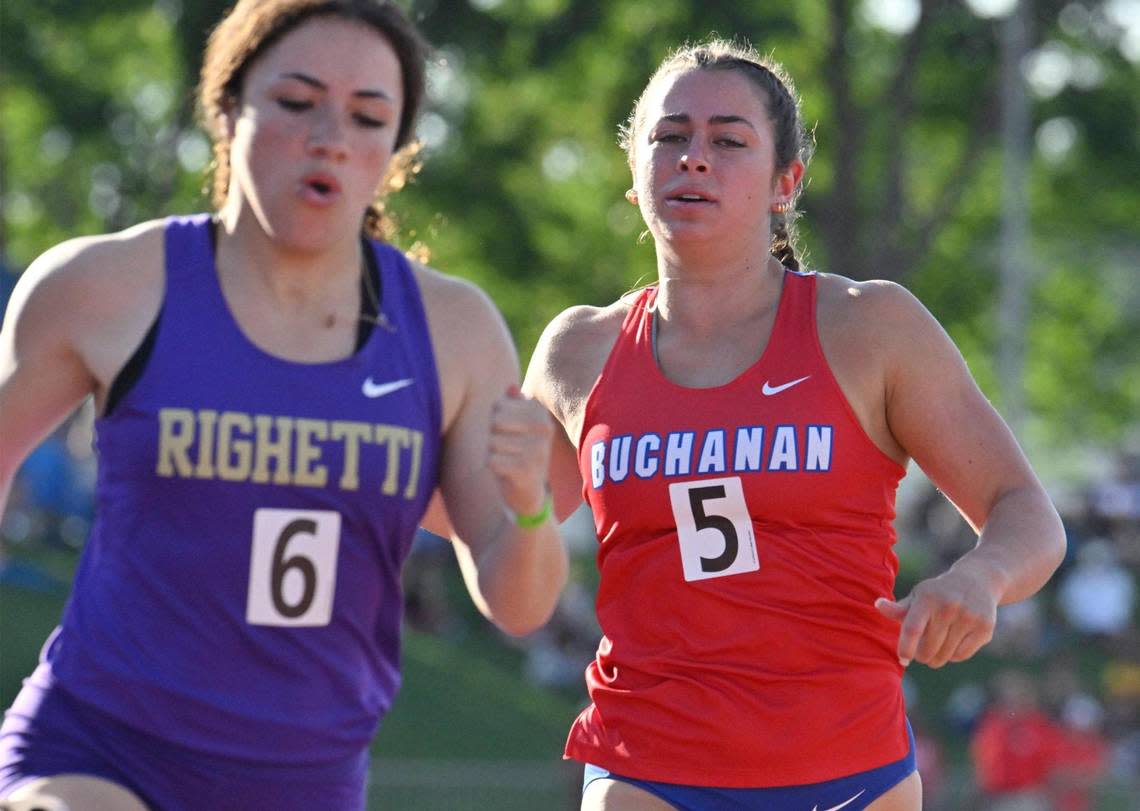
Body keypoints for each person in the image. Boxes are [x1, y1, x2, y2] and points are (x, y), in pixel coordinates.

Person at [0, 1, 567, 809]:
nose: (330, 135)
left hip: (306, 781)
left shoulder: (453, 330)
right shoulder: (101, 290)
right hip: (98, 748)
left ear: (398, 150)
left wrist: (531, 506)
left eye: (369, 116)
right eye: (297, 102)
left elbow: (521, 603)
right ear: (227, 108)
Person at [522, 39, 1067, 810]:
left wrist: (980, 576)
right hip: (645, 765)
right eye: (670, 136)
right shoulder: (577, 351)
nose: (695, 158)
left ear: (787, 182)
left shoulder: (869, 327)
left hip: (849, 770)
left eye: (728, 141)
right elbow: (501, 541)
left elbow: (1028, 513)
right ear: (632, 171)